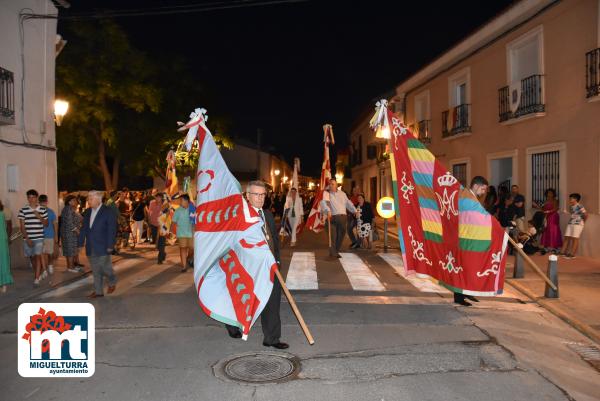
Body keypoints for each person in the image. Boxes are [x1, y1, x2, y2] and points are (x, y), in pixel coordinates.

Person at [226, 180, 288, 349]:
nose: (260, 198)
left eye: (263, 194)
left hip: (269, 266)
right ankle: (232, 324)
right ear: (247, 196)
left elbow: (274, 239)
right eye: (256, 194)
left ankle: (271, 338)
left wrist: (277, 260)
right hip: (249, 268)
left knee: (273, 300)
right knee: (244, 299)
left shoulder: (267, 214)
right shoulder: (241, 217)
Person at [455, 176, 488, 306]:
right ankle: (459, 297)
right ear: (476, 186)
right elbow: (476, 217)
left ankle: (466, 292)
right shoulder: (468, 199)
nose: (484, 192)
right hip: (464, 237)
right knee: (462, 268)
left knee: (468, 267)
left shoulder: (468, 196)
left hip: (468, 236)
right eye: (483, 189)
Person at [78, 190, 117, 298]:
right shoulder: (88, 212)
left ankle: (112, 280)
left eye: (91, 199)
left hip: (103, 246)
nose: (88, 201)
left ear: (98, 200)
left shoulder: (108, 211)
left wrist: (110, 245)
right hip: (91, 246)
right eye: (88, 199)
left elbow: (112, 230)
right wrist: (80, 243)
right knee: (95, 270)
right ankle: (98, 291)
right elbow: (84, 229)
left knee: (105, 268)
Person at [321, 178, 358, 258]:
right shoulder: (327, 194)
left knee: (341, 235)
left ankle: (335, 251)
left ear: (336, 185)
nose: (331, 185)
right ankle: (334, 253)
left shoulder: (342, 194)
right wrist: (327, 210)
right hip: (332, 217)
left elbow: (348, 203)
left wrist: (354, 210)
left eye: (333, 184)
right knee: (333, 236)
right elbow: (323, 203)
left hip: (342, 218)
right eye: (330, 184)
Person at [18, 189, 48, 287]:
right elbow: (22, 226)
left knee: (38, 256)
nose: (31, 199)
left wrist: (39, 216)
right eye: (29, 197)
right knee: (32, 258)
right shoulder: (23, 210)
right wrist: (27, 238)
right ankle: (38, 273)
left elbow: (46, 224)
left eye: (33, 197)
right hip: (28, 238)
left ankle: (36, 279)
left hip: (39, 237)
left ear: (36, 198)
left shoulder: (43, 210)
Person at [534, 188, 562, 252]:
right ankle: (546, 246)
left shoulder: (555, 200)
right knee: (546, 230)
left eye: (551, 193)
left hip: (554, 216)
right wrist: (537, 206)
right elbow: (542, 209)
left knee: (553, 230)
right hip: (547, 216)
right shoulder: (545, 201)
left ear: (553, 194)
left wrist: (549, 211)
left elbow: (556, 208)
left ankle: (555, 247)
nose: (549, 194)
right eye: (548, 193)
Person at [560, 193, 587, 259]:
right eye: (570, 198)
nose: (570, 199)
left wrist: (583, 222)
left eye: (571, 198)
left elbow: (585, 215)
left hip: (578, 224)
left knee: (575, 238)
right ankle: (562, 252)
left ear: (576, 199)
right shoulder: (571, 206)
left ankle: (572, 254)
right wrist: (567, 213)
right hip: (571, 223)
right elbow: (573, 214)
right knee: (567, 237)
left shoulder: (580, 206)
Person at [61, 195, 83, 273]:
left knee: (71, 250)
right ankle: (70, 267)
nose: (75, 201)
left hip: (70, 233)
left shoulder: (69, 209)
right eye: (74, 200)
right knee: (70, 251)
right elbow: (69, 222)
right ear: (69, 201)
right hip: (69, 233)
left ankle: (72, 266)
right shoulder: (68, 208)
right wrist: (77, 230)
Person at [171, 194, 193, 272]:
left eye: (181, 200)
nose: (180, 202)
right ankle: (184, 266)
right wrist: (171, 233)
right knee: (183, 248)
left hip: (191, 233)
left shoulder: (193, 209)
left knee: (192, 249)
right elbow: (173, 222)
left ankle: (189, 258)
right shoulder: (178, 210)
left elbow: (197, 221)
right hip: (181, 233)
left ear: (187, 201)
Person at [39, 194, 58, 278]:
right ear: (39, 202)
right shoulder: (37, 212)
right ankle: (44, 269)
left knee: (50, 253)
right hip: (39, 236)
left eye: (44, 202)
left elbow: (55, 224)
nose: (43, 204)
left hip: (49, 235)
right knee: (41, 253)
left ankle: (50, 265)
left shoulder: (51, 212)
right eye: (41, 202)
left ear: (47, 202)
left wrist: (56, 235)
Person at [0, 200, 14, 293]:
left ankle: (4, 284)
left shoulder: (5, 210)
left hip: (1, 239)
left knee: (3, 261)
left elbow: (9, 225)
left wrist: (8, 237)